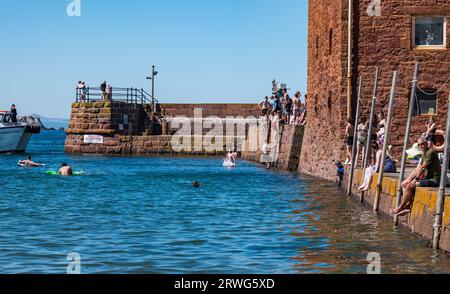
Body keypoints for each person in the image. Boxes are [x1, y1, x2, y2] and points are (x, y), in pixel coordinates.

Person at [391, 138, 441, 216]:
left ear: (426, 144)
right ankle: (407, 206)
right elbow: (418, 168)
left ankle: (401, 207)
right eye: (419, 145)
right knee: (405, 184)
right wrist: (409, 179)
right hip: (427, 178)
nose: (421, 146)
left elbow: (423, 167)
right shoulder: (424, 154)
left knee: (410, 185)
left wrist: (415, 179)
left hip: (434, 180)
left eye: (422, 144)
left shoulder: (430, 152)